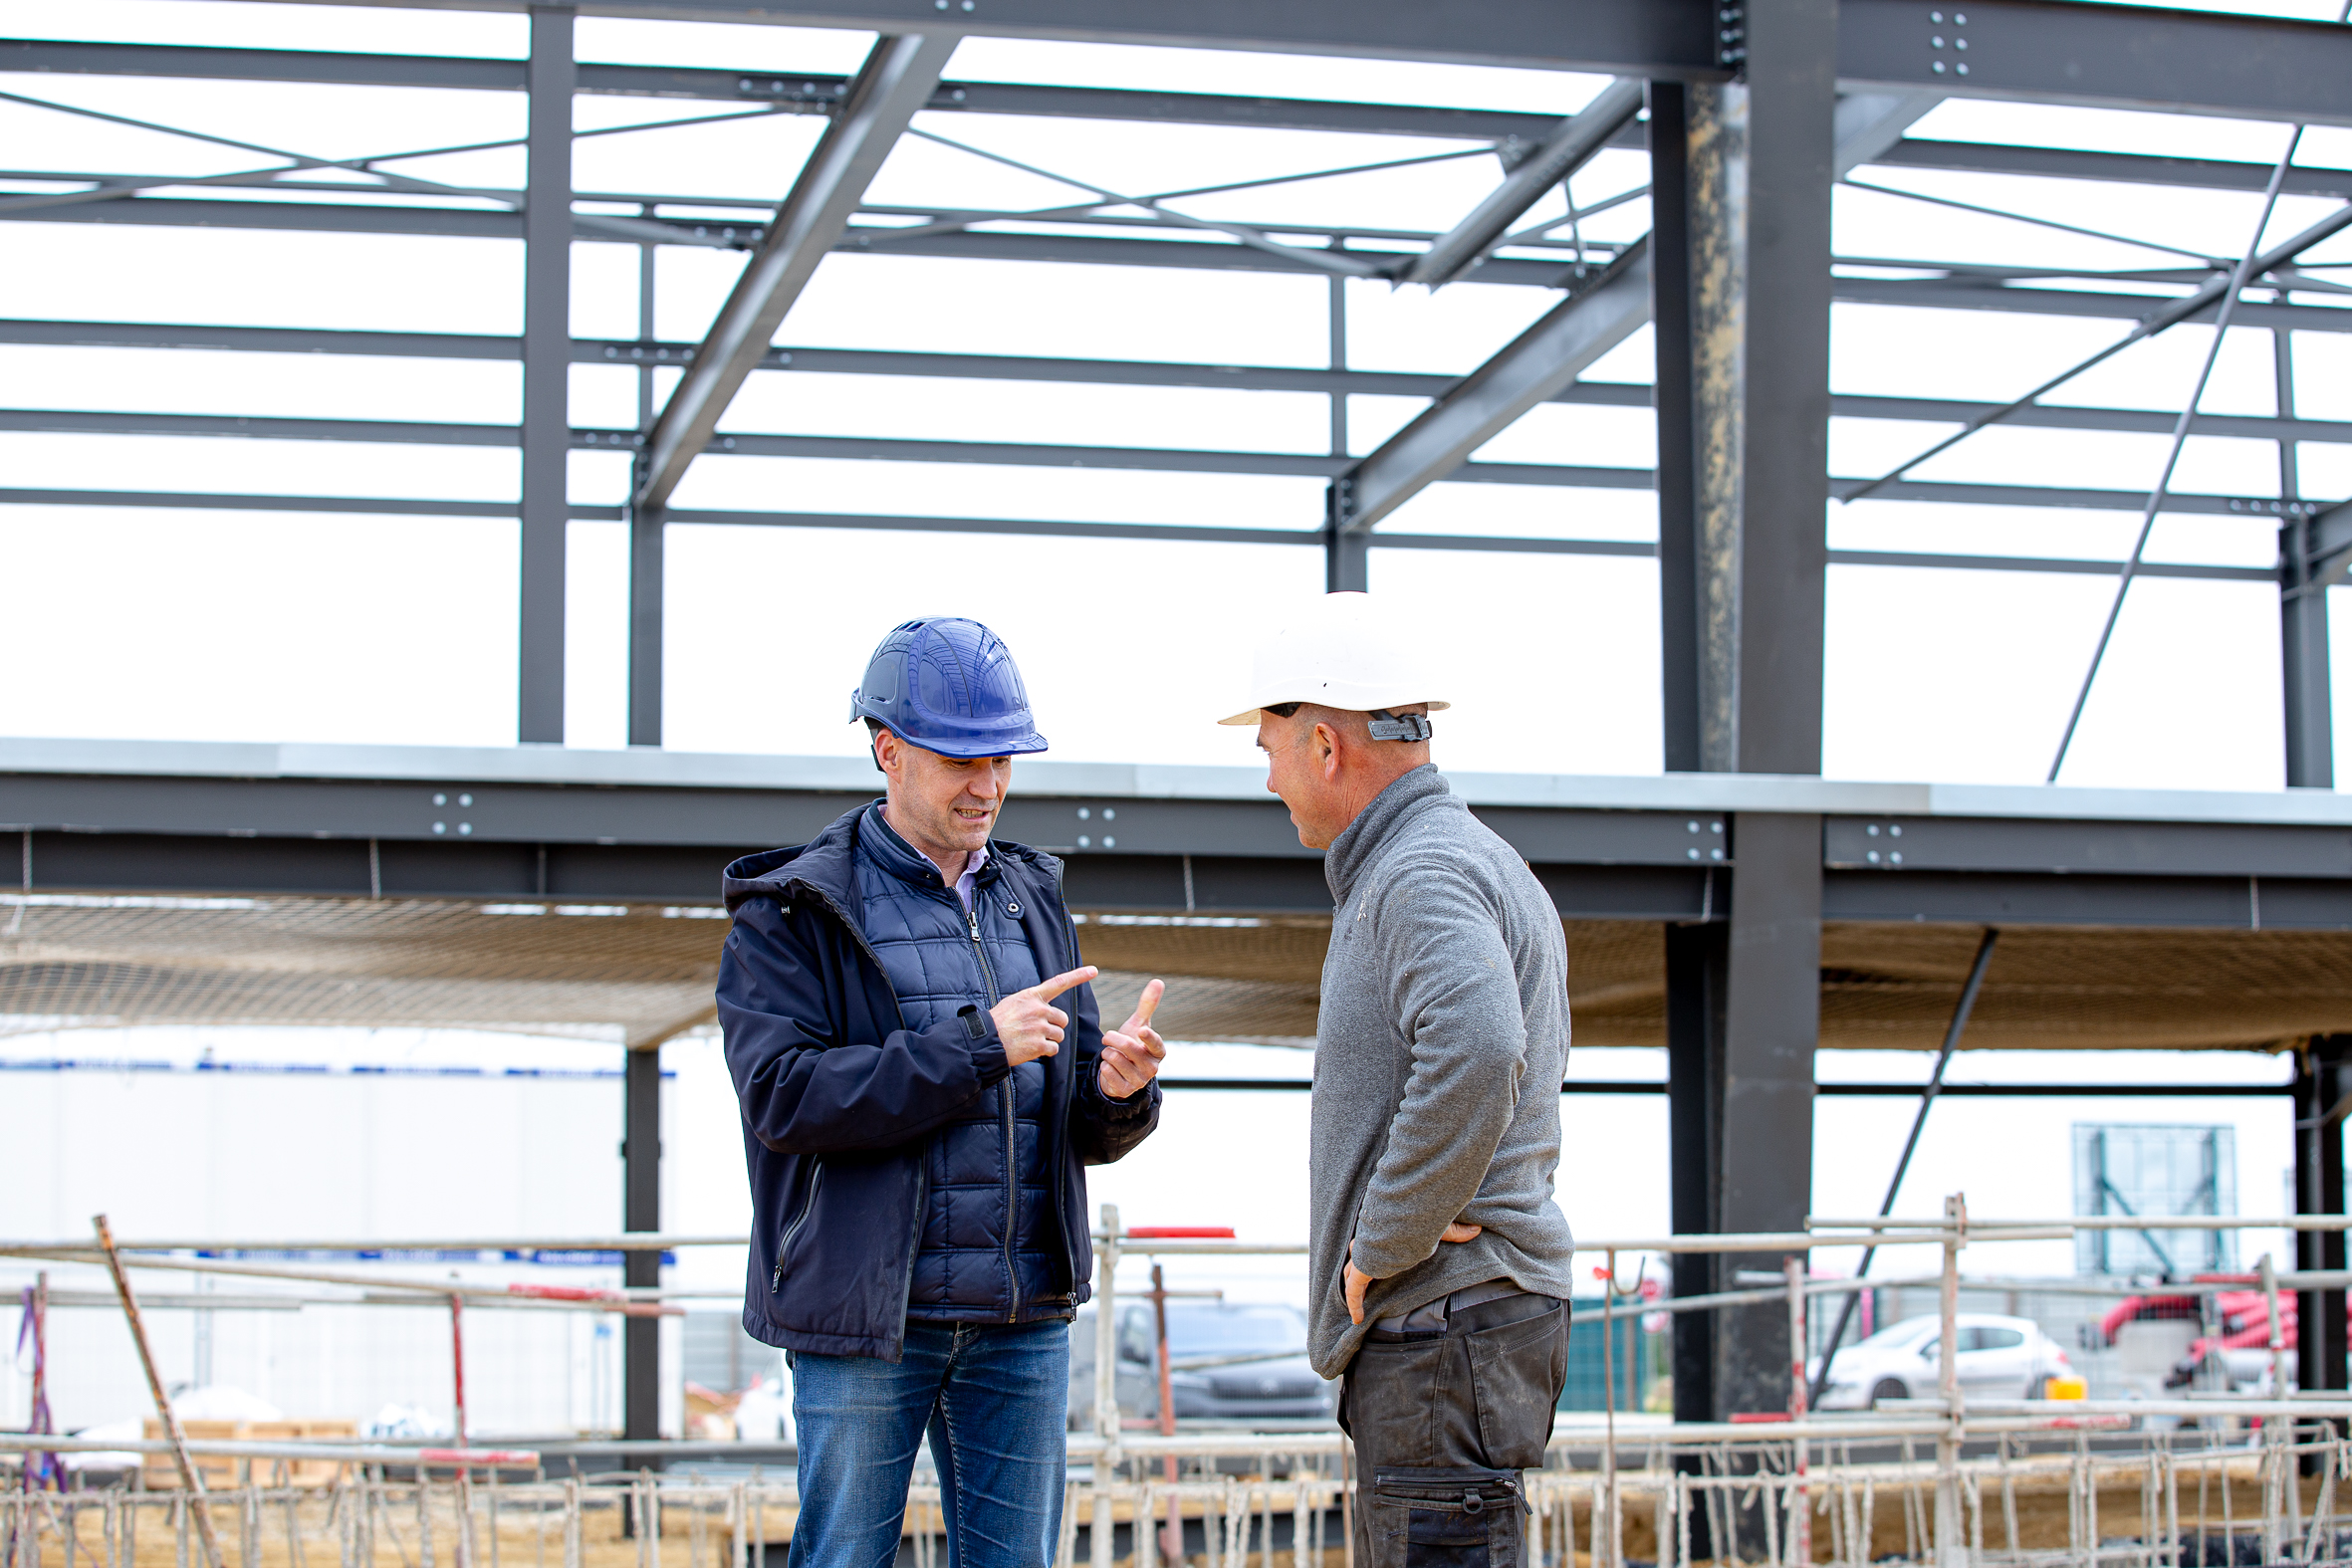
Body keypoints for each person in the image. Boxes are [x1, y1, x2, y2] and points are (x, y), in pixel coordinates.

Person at [719, 615, 1168, 1568]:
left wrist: (1118, 1091)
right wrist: (975, 1049)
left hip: (1021, 1320)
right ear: (886, 749)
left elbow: (1070, 1117)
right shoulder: (792, 912)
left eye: (1002, 757)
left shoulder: (1031, 897)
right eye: (961, 758)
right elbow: (784, 1098)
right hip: (866, 1324)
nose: (989, 785)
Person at [1219, 590, 1575, 1568]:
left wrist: (1386, 1238)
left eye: (1269, 750)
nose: (1268, 781)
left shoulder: (1419, 871)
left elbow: (1476, 1043)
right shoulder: (1464, 859)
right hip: (1461, 1323)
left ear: (1325, 745)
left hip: (1441, 1319)